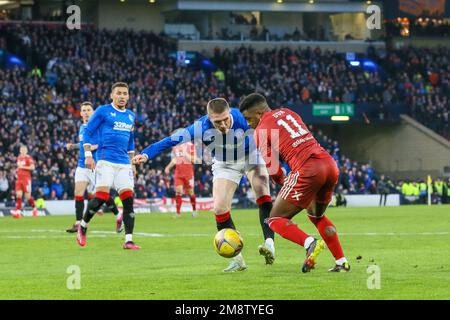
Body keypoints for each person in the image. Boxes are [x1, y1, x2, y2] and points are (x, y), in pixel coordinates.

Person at [133, 98, 275, 272]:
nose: (223, 125)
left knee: (262, 191)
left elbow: (271, 132)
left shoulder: (242, 117)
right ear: (209, 118)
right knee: (219, 209)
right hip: (225, 163)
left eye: (225, 119)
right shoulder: (200, 127)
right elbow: (171, 140)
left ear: (230, 112)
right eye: (217, 122)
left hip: (251, 155)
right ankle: (238, 260)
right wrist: (147, 154)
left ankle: (269, 243)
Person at [239, 93, 349, 273]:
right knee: (316, 216)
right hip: (329, 164)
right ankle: (341, 261)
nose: (248, 123)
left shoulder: (261, 130)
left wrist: (283, 182)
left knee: (274, 219)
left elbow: (273, 168)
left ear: (259, 113)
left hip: (308, 169)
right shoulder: (288, 112)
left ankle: (310, 243)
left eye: (248, 118)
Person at [77, 82, 139, 250]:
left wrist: (132, 161)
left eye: (125, 93)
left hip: (124, 163)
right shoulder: (103, 111)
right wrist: (89, 155)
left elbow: (131, 140)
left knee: (128, 200)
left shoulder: (131, 116)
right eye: (118, 93)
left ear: (128, 96)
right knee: (101, 197)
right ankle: (83, 225)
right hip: (106, 161)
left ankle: (128, 240)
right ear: (112, 95)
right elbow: (88, 132)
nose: (122, 96)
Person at [65, 102, 123, 233]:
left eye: (88, 110)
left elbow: (104, 142)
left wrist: (94, 147)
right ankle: (78, 223)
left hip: (95, 164)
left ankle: (118, 215)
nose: (86, 112)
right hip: (81, 165)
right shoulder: (82, 127)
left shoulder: (99, 126)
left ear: (93, 112)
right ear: (80, 113)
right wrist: (73, 146)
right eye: (83, 110)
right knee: (78, 194)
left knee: (102, 194)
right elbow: (83, 144)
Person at [164, 134, 197, 218]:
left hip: (188, 173)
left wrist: (185, 153)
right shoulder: (175, 147)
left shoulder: (191, 146)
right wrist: (168, 167)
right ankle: (178, 213)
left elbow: (194, 160)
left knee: (191, 193)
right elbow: (175, 159)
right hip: (178, 173)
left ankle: (194, 210)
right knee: (178, 192)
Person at [11, 145, 38, 218]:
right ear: (20, 151)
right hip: (19, 179)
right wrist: (16, 171)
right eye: (21, 150)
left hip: (26, 179)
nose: (22, 151)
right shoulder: (19, 158)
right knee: (18, 195)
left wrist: (22, 167)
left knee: (28, 196)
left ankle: (34, 208)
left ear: (26, 151)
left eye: (24, 150)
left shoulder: (28, 158)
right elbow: (18, 167)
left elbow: (32, 167)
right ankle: (18, 212)